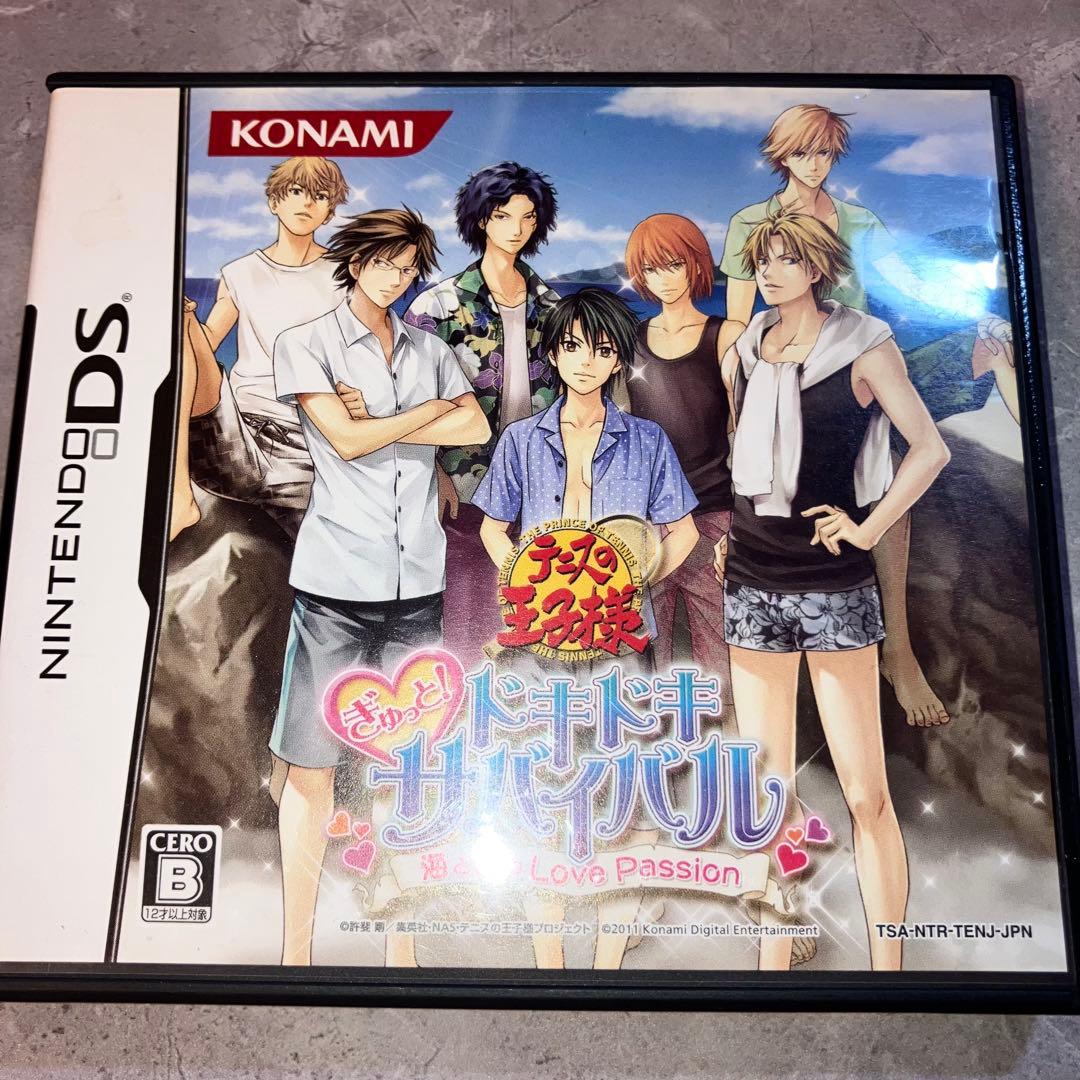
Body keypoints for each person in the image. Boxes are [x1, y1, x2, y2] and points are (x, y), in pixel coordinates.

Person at [720, 104, 1014, 727]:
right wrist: (738, 386)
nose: (814, 164)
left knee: (890, 486)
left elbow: (906, 285)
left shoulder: (858, 220)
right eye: (801, 153)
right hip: (776, 368)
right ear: (780, 157)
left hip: (857, 365)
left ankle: (898, 652)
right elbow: (739, 319)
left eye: (824, 153)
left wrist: (967, 301)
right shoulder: (753, 223)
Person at [714, 209, 950, 971]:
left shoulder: (863, 345)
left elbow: (929, 449)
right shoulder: (745, 346)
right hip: (753, 577)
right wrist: (728, 535)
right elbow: (739, 453)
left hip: (832, 584)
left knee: (866, 795)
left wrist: (868, 527)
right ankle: (771, 973)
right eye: (763, 259)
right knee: (766, 793)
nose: (771, 271)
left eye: (787, 259)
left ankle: (890, 974)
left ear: (817, 268)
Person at [269, 207, 489, 967]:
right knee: (312, 766)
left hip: (418, 583)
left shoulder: (431, 349)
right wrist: (423, 417)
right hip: (335, 582)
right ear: (354, 262)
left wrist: (391, 419)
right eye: (382, 263)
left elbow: (474, 429)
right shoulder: (306, 342)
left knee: (408, 768)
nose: (394, 278)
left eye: (406, 268)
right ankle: (295, 955)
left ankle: (404, 953)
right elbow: (345, 439)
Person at [473, 287, 699, 970]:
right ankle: (549, 967)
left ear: (617, 360)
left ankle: (608, 969)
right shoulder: (521, 440)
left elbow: (683, 532)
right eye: (571, 346)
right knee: (541, 798)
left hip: (622, 640)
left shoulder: (647, 441)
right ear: (553, 352)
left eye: (600, 350)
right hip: (539, 642)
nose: (584, 361)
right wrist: (532, 584)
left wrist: (631, 584)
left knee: (623, 800)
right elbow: (492, 528)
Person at [401, 162, 561, 668]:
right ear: (480, 220)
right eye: (502, 215)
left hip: (541, 486)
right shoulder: (438, 306)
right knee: (469, 615)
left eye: (528, 217)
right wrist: (435, 470)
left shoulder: (552, 305)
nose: (517, 228)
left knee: (541, 613)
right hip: (466, 480)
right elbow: (408, 405)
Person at [172, 156, 349, 541]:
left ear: (329, 211)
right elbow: (209, 339)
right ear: (274, 201)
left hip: (308, 436)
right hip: (239, 426)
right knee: (184, 319)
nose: (307, 202)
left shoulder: (344, 275)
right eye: (297, 191)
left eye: (320, 196)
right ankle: (180, 495)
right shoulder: (240, 272)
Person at [623, 212, 744, 697]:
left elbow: (746, 434)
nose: (664, 278)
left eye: (674, 264)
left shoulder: (727, 334)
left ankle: (731, 740)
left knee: (721, 661)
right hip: (646, 524)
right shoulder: (631, 340)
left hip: (713, 515)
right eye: (651, 268)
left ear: (695, 264)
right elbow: (621, 436)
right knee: (648, 659)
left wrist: (742, 526)